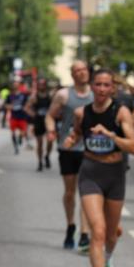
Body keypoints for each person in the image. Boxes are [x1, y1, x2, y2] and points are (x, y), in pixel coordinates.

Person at [62, 69, 134, 267]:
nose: (102, 89)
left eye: (106, 85)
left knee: (112, 234)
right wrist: (71, 140)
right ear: (92, 87)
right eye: (98, 84)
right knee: (99, 231)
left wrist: (110, 135)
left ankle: (110, 258)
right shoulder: (81, 112)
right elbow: (77, 132)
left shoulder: (120, 112)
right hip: (91, 173)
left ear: (112, 89)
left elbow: (133, 146)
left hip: (115, 175)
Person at [46, 60, 93, 252]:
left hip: (89, 150)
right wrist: (51, 131)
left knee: (86, 192)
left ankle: (84, 234)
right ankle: (70, 225)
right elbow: (50, 116)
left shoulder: (95, 94)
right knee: (70, 192)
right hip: (68, 148)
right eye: (77, 70)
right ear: (72, 75)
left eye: (84, 69)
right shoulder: (64, 95)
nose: (82, 73)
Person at [25, 77, 54, 171]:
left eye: (43, 84)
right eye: (40, 84)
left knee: (50, 141)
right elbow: (26, 108)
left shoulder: (50, 95)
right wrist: (34, 114)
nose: (41, 86)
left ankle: (47, 156)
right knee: (39, 142)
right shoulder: (34, 97)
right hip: (38, 121)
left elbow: (56, 106)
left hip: (49, 121)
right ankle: (40, 162)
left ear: (46, 85)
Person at [6, 80, 30, 155]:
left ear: (19, 85)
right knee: (13, 133)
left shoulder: (24, 95)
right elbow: (6, 105)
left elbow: (28, 103)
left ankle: (20, 137)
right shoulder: (10, 96)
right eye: (14, 84)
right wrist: (9, 107)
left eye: (17, 84)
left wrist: (26, 108)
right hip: (14, 116)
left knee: (23, 132)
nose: (15, 86)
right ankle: (16, 147)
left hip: (22, 116)